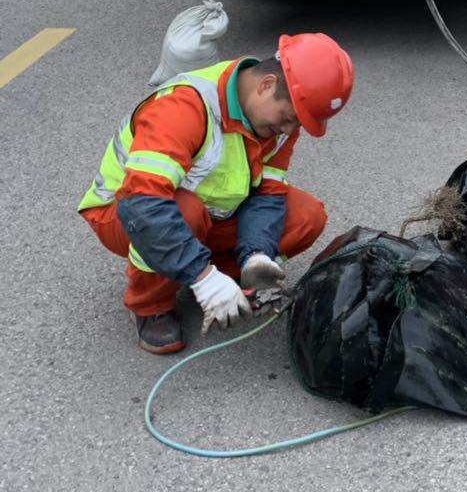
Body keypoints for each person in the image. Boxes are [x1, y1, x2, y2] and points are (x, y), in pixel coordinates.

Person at [79, 33, 354, 353]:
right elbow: (142, 205)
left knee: (307, 216)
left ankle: (217, 276)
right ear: (266, 85)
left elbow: (268, 194)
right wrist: (203, 276)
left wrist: (257, 254)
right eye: (288, 118)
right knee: (185, 212)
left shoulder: (275, 122)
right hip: (124, 212)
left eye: (300, 125)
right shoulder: (186, 106)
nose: (290, 131)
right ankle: (151, 304)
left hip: (207, 210)